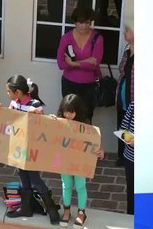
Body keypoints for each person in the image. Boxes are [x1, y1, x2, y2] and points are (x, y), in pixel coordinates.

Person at [3, 75, 60, 225]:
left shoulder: (35, 104)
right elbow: (9, 118)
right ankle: (25, 207)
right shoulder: (13, 103)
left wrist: (39, 114)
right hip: (18, 146)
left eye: (9, 91)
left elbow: (42, 122)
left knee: (35, 179)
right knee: (23, 177)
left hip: (32, 148)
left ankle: (52, 208)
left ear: (18, 92)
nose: (7, 94)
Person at [52, 94, 105, 228]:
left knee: (80, 186)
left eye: (71, 112)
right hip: (65, 160)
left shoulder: (85, 124)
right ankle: (67, 211)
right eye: (65, 111)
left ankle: (81, 213)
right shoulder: (59, 122)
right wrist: (50, 122)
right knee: (66, 185)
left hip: (80, 162)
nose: (68, 115)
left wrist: (100, 150)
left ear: (78, 111)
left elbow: (94, 140)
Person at [56, 7, 104, 123]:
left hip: (89, 85)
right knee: (68, 117)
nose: (83, 26)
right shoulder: (66, 38)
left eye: (87, 22)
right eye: (80, 22)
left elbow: (94, 64)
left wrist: (73, 63)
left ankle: (85, 142)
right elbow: (61, 64)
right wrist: (86, 61)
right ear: (75, 22)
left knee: (86, 118)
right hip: (69, 83)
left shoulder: (97, 38)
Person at [115, 19, 134, 167]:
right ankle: (122, 156)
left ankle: (130, 155)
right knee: (121, 125)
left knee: (131, 127)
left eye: (127, 30)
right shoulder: (127, 48)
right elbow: (121, 69)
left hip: (133, 98)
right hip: (122, 95)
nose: (124, 33)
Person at [120, 102, 134, 215]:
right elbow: (122, 131)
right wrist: (131, 141)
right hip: (131, 158)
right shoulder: (134, 106)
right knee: (132, 191)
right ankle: (131, 217)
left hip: (152, 161)